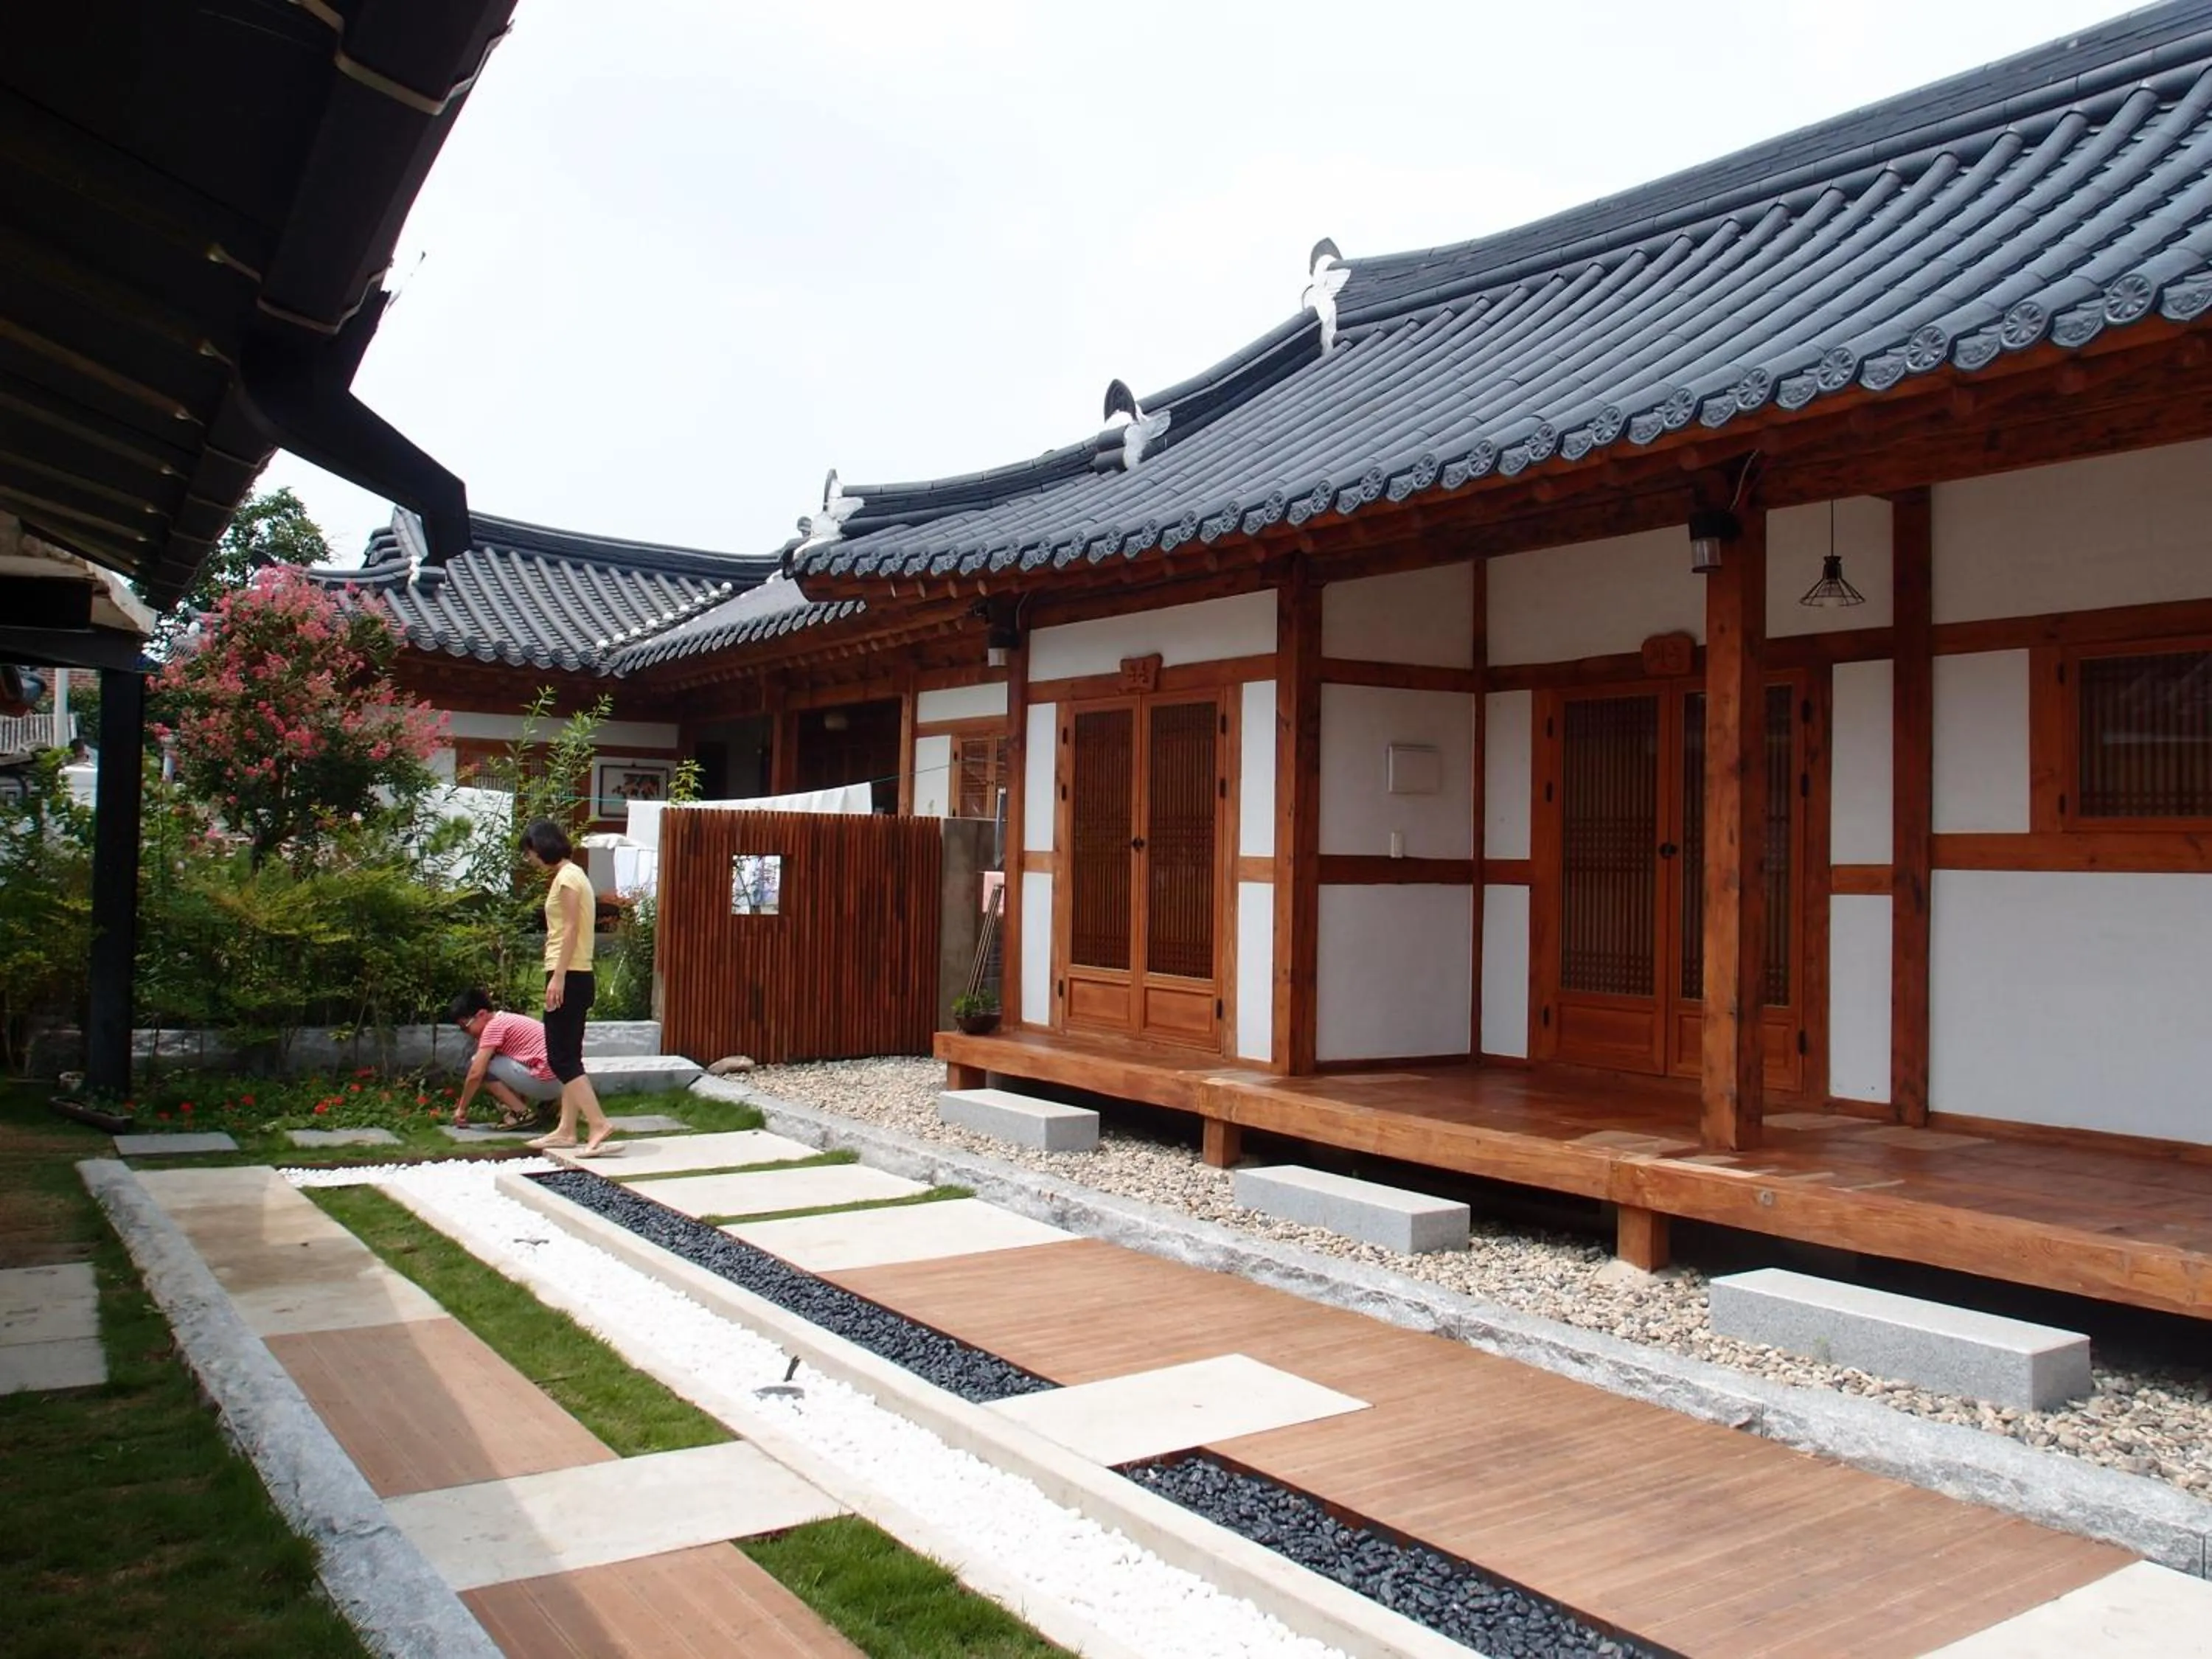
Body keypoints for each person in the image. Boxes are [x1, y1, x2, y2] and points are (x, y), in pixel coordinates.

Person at [518, 818, 616, 1155]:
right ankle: (566, 1128)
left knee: (560, 1057)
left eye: (530, 853)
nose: (529, 860)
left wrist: (557, 976)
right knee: (570, 1055)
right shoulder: (571, 875)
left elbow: (571, 929)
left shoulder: (568, 878)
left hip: (569, 974)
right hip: (574, 973)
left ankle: (599, 1123)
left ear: (541, 846)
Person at [445, 988, 563, 1130]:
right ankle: (548, 1105)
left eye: (465, 1027)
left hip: (548, 1083)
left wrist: (462, 1108)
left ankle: (521, 1113)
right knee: (497, 1058)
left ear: (482, 1014)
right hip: (562, 1082)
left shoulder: (493, 1027)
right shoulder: (508, 1020)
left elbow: (476, 1073)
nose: (467, 1033)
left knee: (480, 1064)